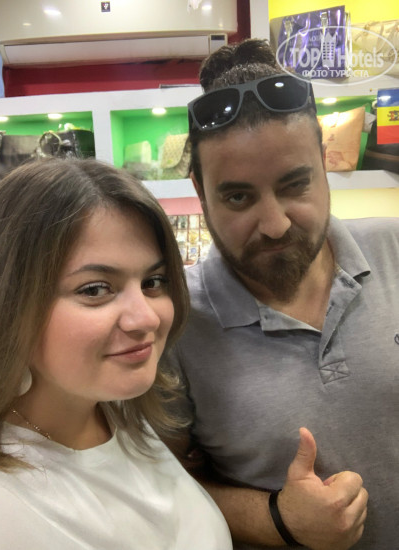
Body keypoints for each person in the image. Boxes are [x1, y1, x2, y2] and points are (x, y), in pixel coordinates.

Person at [165, 38, 399, 549]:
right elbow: (167, 483)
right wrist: (278, 519)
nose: (274, 225)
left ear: (325, 164)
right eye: (238, 196)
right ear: (200, 193)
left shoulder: (395, 248)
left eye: (295, 185)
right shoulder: (172, 321)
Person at [0, 157, 233, 550]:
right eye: (95, 289)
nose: (146, 317)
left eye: (153, 281)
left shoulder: (118, 411)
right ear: (10, 304)